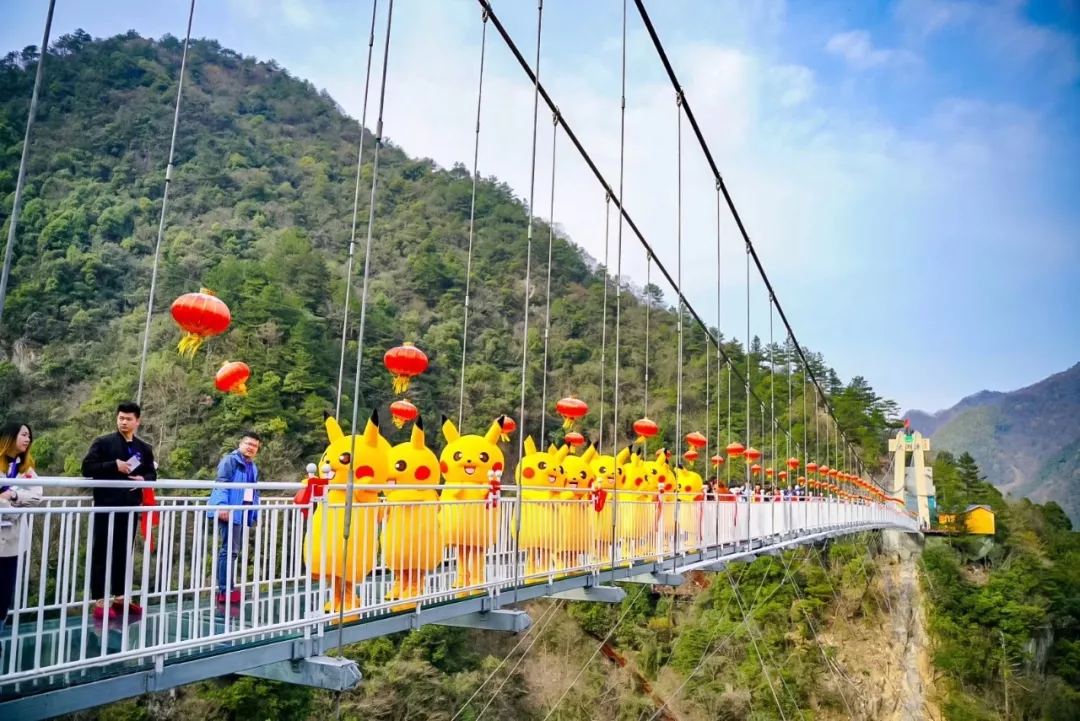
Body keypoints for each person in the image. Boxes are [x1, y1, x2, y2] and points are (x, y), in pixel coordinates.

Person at [81, 401, 156, 619]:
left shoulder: (144, 448)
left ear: (137, 421)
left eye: (128, 419)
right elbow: (87, 468)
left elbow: (152, 474)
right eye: (121, 418)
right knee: (102, 551)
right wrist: (114, 465)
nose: (123, 422)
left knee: (124, 551)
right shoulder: (103, 443)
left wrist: (143, 479)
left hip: (130, 506)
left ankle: (121, 597)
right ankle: (100, 600)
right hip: (106, 505)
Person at [208, 432, 261, 604]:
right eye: (248, 443)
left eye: (254, 446)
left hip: (240, 512)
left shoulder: (252, 466)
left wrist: (254, 513)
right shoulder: (231, 460)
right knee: (228, 550)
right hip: (229, 510)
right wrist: (223, 505)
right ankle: (225, 590)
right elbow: (221, 482)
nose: (250, 447)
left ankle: (229, 588)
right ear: (240, 443)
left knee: (232, 551)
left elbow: (253, 492)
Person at [0, 422, 43, 635]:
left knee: (3, 595)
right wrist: (11, 506)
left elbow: (37, 495)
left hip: (13, 542)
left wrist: (12, 496)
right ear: (9, 436)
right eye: (23, 435)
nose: (27, 440)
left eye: (29, 436)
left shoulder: (25, 467)